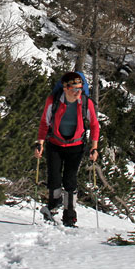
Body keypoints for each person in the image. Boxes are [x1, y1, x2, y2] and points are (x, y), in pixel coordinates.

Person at [33, 71, 100, 226]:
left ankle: (69, 216)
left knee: (70, 179)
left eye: (80, 88)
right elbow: (44, 122)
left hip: (76, 147)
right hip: (55, 145)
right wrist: (40, 143)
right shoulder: (53, 101)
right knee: (54, 178)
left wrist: (94, 147)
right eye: (74, 89)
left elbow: (94, 124)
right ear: (65, 88)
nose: (77, 92)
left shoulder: (85, 102)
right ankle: (53, 207)